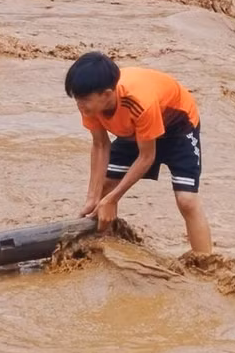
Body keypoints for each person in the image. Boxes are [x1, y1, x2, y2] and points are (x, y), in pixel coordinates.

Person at [65, 52, 212, 254]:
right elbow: (100, 145)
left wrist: (113, 199)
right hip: (137, 132)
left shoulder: (138, 101)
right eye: (77, 99)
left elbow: (146, 157)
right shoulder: (90, 106)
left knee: (186, 200)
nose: (80, 106)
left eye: (85, 100)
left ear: (107, 94)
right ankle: (104, 248)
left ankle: (206, 263)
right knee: (104, 188)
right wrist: (93, 197)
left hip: (178, 127)